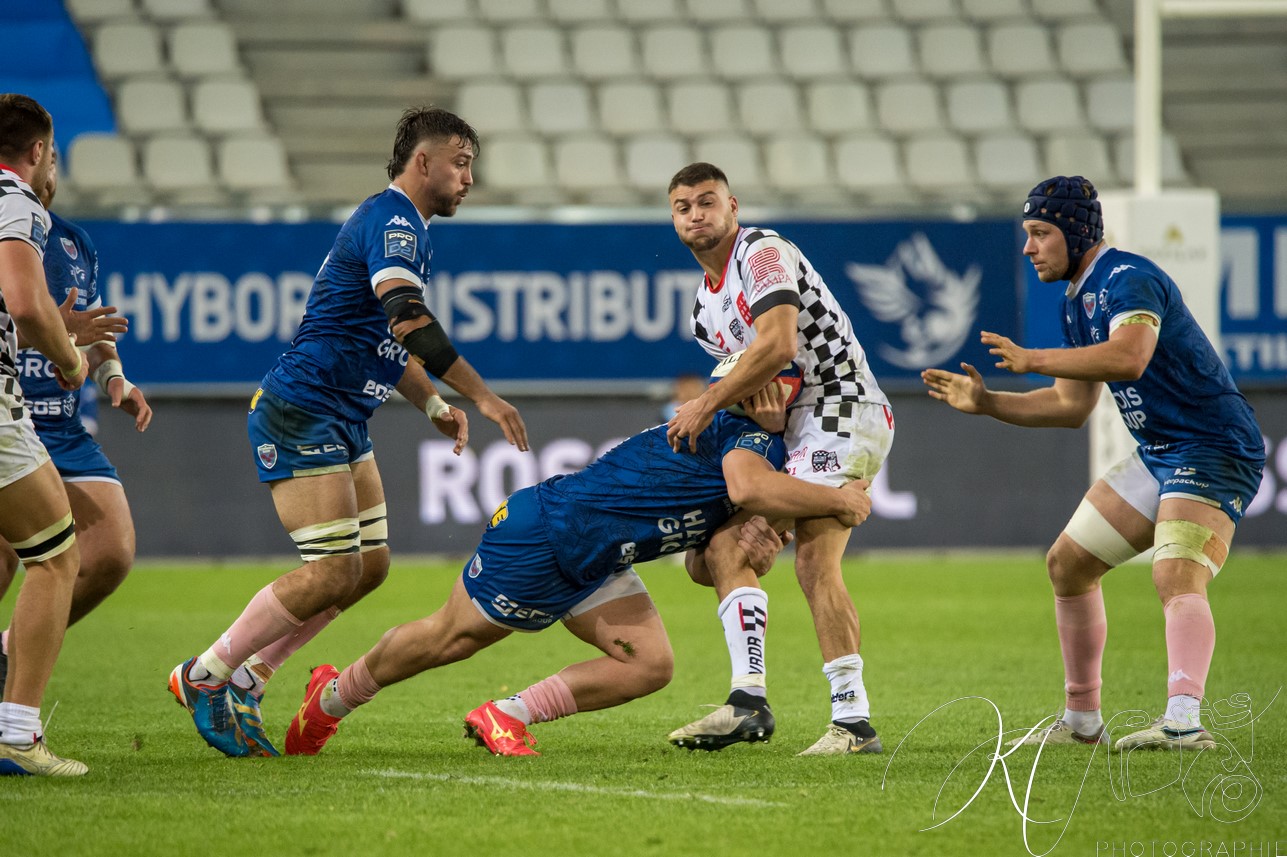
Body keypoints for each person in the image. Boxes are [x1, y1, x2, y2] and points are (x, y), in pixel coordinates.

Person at [169, 106, 529, 759]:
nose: (468, 177)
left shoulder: (408, 227)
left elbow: (384, 340)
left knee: (367, 569)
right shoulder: (393, 222)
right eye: (461, 162)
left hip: (342, 415)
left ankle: (249, 677)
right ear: (423, 162)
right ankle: (207, 674)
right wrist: (481, 395)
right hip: (301, 408)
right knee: (334, 569)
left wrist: (432, 405)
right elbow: (405, 315)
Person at [283, 380, 872, 757]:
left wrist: (746, 549)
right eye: (770, 387)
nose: (777, 398)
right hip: (546, 534)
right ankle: (332, 696)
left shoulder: (763, 454)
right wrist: (840, 500)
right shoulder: (743, 438)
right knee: (448, 639)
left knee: (651, 665)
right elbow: (751, 485)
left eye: (784, 390)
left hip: (601, 557)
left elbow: (700, 563)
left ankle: (505, 714)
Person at [921, 176, 1264, 751]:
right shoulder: (1078, 300)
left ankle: (1184, 723)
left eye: (1039, 233)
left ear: (1076, 232)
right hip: (1159, 453)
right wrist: (987, 404)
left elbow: (1130, 358)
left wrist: (1031, 357)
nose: (1029, 248)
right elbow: (1068, 405)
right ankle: (1082, 723)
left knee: (1176, 571)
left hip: (1213, 446)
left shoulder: (1129, 279)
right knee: (1068, 565)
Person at [665, 163, 894, 755]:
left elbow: (779, 345)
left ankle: (854, 721)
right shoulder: (701, 310)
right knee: (718, 554)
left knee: (816, 561)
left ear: (732, 207)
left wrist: (704, 404)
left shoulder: (760, 252)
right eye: (683, 206)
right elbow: (765, 384)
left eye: (707, 202)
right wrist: (759, 413)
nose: (696, 214)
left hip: (843, 403)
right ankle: (748, 700)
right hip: (796, 419)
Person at [0, 152, 150, 692]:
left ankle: (9, 654)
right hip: (10, 419)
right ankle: (17, 710)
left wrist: (114, 378)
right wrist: (56, 336)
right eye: (53, 157)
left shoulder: (72, 241)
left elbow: (92, 323)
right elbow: (32, 314)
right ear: (40, 157)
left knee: (110, 553)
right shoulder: (9, 228)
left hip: (62, 428)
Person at [0, 93, 91, 776]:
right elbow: (27, 304)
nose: (52, 168)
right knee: (58, 556)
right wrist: (69, 358)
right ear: (36, 154)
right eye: (53, 154)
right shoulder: (17, 200)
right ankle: (18, 730)